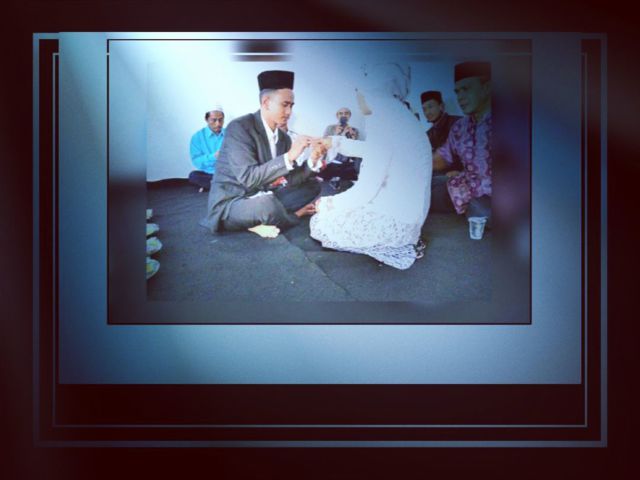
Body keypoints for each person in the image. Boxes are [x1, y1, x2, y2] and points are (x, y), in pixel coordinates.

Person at [310, 63, 432, 270]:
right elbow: (378, 151)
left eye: (359, 90)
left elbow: (366, 190)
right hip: (413, 218)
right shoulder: (399, 115)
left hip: (398, 222)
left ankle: (395, 247)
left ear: (371, 91)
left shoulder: (382, 120)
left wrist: (330, 203)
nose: (357, 97)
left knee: (320, 222)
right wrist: (335, 142)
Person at [199, 70, 324, 239]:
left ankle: (266, 218)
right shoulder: (239, 127)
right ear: (266, 103)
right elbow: (249, 178)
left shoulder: (284, 138)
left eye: (291, 106)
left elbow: (289, 179)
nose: (289, 112)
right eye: (285, 105)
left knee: (313, 185)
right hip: (232, 202)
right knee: (267, 205)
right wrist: (290, 156)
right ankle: (289, 217)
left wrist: (312, 161)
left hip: (264, 194)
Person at [430, 62, 492, 225]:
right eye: (457, 92)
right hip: (463, 188)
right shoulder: (460, 126)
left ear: (487, 88)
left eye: (466, 89)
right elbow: (442, 158)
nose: (460, 97)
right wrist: (407, 166)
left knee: (482, 211)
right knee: (425, 186)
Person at [318, 107, 362, 189]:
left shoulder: (354, 130)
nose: (343, 115)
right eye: (341, 113)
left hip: (344, 157)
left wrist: (352, 138)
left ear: (349, 116)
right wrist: (336, 134)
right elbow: (323, 141)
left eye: (346, 113)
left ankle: (335, 177)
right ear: (337, 116)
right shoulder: (330, 128)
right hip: (331, 154)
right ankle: (330, 176)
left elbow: (355, 147)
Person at [188, 106, 226, 192]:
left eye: (221, 120)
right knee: (193, 176)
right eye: (214, 120)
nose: (218, 124)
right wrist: (213, 157)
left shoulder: (230, 134)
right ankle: (226, 186)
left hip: (228, 172)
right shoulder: (197, 137)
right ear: (206, 120)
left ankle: (212, 186)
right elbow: (196, 161)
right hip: (209, 174)